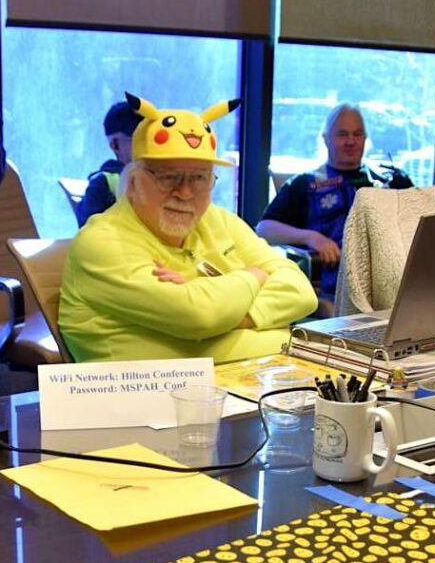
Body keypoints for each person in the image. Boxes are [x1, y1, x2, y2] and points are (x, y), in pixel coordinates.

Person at [59, 93, 317, 363]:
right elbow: (199, 316)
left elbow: (301, 291)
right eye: (168, 177)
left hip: (248, 385)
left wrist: (224, 311)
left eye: (199, 178)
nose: (184, 192)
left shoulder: (219, 220)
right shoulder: (102, 242)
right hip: (141, 398)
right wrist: (254, 276)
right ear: (133, 182)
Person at [255, 104, 412, 311]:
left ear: (365, 139)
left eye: (357, 134)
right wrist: (312, 238)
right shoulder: (305, 183)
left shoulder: (387, 181)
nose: (350, 141)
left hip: (389, 284)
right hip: (333, 288)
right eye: (342, 134)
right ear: (325, 139)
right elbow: (264, 229)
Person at [74, 101, 144, 227]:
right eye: (137, 138)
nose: (146, 144)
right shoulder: (102, 184)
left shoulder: (163, 176)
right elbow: (88, 234)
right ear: (115, 145)